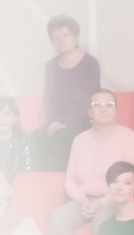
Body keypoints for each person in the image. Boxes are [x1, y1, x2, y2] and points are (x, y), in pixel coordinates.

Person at [47, 90, 134, 235]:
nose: (103, 109)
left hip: (116, 200)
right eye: (97, 105)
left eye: (109, 105)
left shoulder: (129, 137)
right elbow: (70, 181)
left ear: (116, 111)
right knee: (58, 217)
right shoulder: (79, 140)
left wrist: (102, 202)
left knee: (102, 220)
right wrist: (83, 201)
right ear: (90, 112)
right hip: (85, 200)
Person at [39, 15, 102, 170]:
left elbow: (90, 98)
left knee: (63, 137)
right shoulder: (50, 67)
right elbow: (49, 98)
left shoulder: (90, 63)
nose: (61, 40)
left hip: (83, 120)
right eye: (56, 37)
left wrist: (66, 124)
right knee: (36, 137)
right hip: (56, 122)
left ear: (75, 37)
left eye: (66, 35)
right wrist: (53, 122)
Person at [0, 96, 33, 173]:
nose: (0, 118)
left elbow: (29, 175)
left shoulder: (25, 143)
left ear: (15, 119)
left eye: (6, 114)